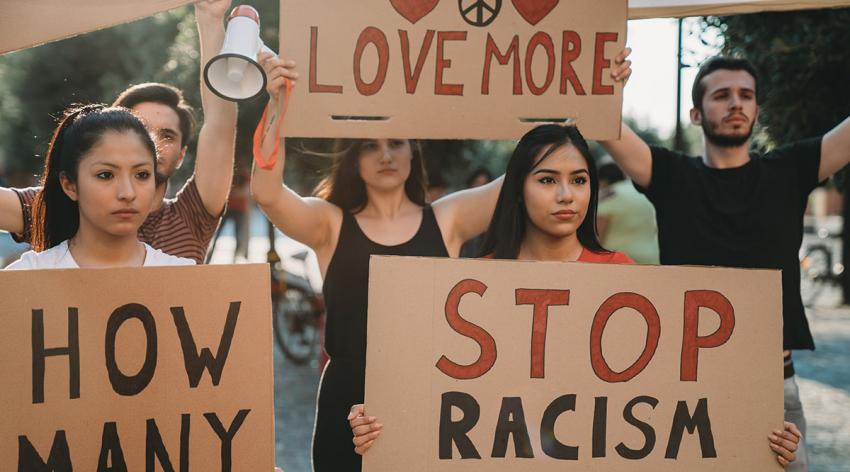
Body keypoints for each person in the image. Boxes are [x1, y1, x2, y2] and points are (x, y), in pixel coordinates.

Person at [253, 48, 632, 472]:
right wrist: (278, 104)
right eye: (370, 145)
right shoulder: (330, 223)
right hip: (349, 392)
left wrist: (593, 92)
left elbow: (532, 169)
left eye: (396, 142)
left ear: (414, 151)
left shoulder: (448, 218)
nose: (385, 155)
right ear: (352, 158)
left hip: (430, 393)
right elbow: (267, 192)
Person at [347, 124, 803, 467]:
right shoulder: (472, 288)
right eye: (547, 180)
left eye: (579, 180)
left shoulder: (624, 278)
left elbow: (670, 406)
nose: (567, 195)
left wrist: (755, 435)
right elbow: (433, 400)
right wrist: (382, 426)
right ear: (517, 189)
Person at [599, 56, 850, 471]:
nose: (736, 103)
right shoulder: (670, 175)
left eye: (746, 95)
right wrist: (607, 87)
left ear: (756, 110)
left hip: (773, 381)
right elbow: (604, 127)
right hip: (688, 385)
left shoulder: (790, 169)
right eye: (722, 95)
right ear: (697, 113)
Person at [0, 0, 237, 264]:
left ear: (182, 155)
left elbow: (220, 125)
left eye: (167, 135)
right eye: (141, 128)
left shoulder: (191, 216)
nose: (152, 141)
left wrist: (211, 21)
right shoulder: (63, 205)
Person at [5, 105, 194, 269]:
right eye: (106, 175)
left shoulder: (184, 278)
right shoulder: (26, 278)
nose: (127, 193)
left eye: (142, 175)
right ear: (69, 185)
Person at [596, 161, 659, 263]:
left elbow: (598, 236)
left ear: (603, 181)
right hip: (652, 256)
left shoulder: (609, 195)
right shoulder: (640, 192)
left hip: (620, 259)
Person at [459, 167, 494, 257]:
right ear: (471, 183)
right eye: (477, 182)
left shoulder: (491, 209)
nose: (480, 187)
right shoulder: (460, 204)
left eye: (484, 184)